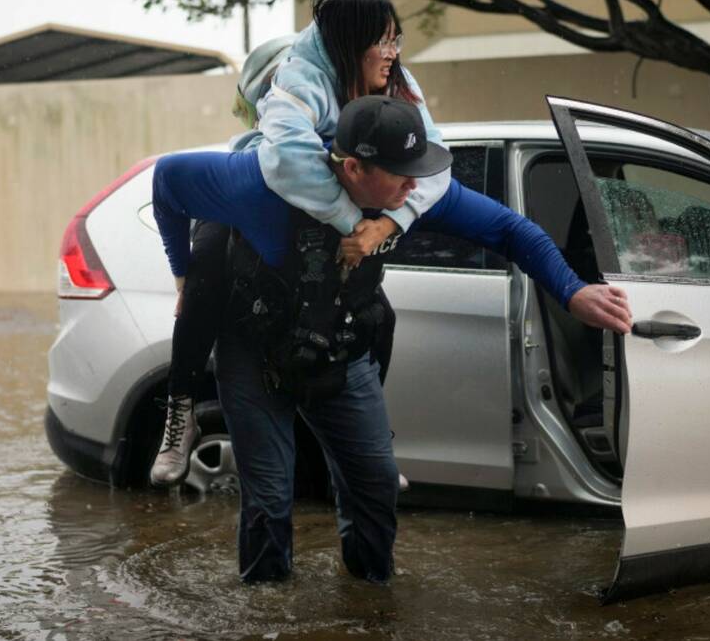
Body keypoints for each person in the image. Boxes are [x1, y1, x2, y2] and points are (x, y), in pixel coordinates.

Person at [152, 95, 633, 583]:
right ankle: (268, 609)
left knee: (376, 486)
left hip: (341, 348)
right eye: (402, 171)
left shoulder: (409, 194)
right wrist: (181, 274)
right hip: (253, 352)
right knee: (270, 499)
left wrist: (572, 292)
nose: (415, 183)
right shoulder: (260, 182)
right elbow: (167, 180)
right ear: (355, 167)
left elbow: (511, 230)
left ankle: (370, 599)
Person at [150, 0, 450, 487]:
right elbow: (284, 159)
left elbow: (437, 156)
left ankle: (374, 437)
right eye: (385, 42)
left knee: (381, 316)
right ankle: (179, 412)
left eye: (398, 40)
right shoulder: (295, 84)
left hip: (339, 250)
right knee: (205, 273)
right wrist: (350, 219)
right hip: (266, 212)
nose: (395, 53)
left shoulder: (396, 79)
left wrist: (389, 223)